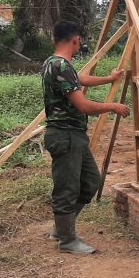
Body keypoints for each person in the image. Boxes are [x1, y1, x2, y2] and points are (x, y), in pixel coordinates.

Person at [42, 21, 129, 254]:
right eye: (79, 41)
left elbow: (80, 80)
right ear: (76, 40)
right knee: (67, 188)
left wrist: (109, 79)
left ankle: (62, 230)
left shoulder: (57, 64)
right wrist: (112, 106)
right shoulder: (61, 65)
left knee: (90, 181)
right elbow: (82, 105)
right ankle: (67, 240)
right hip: (65, 135)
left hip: (72, 135)